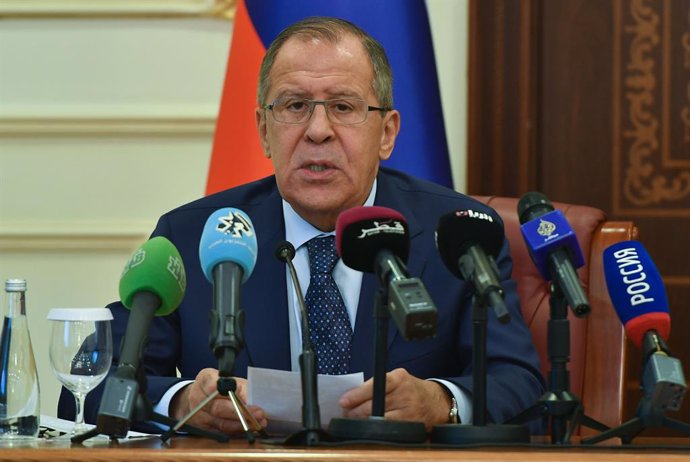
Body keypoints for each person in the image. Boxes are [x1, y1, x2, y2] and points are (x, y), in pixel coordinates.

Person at [58, 16, 544, 435]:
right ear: (265, 130)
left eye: (343, 106)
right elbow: (88, 382)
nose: (317, 130)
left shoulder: (455, 235)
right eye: (294, 106)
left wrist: (441, 403)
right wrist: (185, 401)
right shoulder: (199, 234)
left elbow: (518, 381)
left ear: (388, 133)